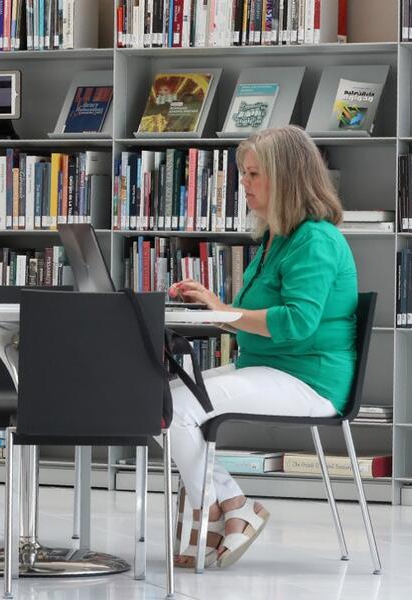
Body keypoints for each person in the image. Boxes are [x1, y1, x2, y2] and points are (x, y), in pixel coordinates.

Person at [167, 125, 358, 570]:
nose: (244, 184)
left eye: (254, 174)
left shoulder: (316, 240)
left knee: (175, 410)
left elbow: (296, 322)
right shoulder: (276, 237)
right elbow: (254, 318)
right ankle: (230, 506)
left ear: (287, 178)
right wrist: (218, 308)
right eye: (244, 173)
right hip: (267, 366)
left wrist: (225, 315)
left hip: (308, 379)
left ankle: (226, 507)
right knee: (159, 401)